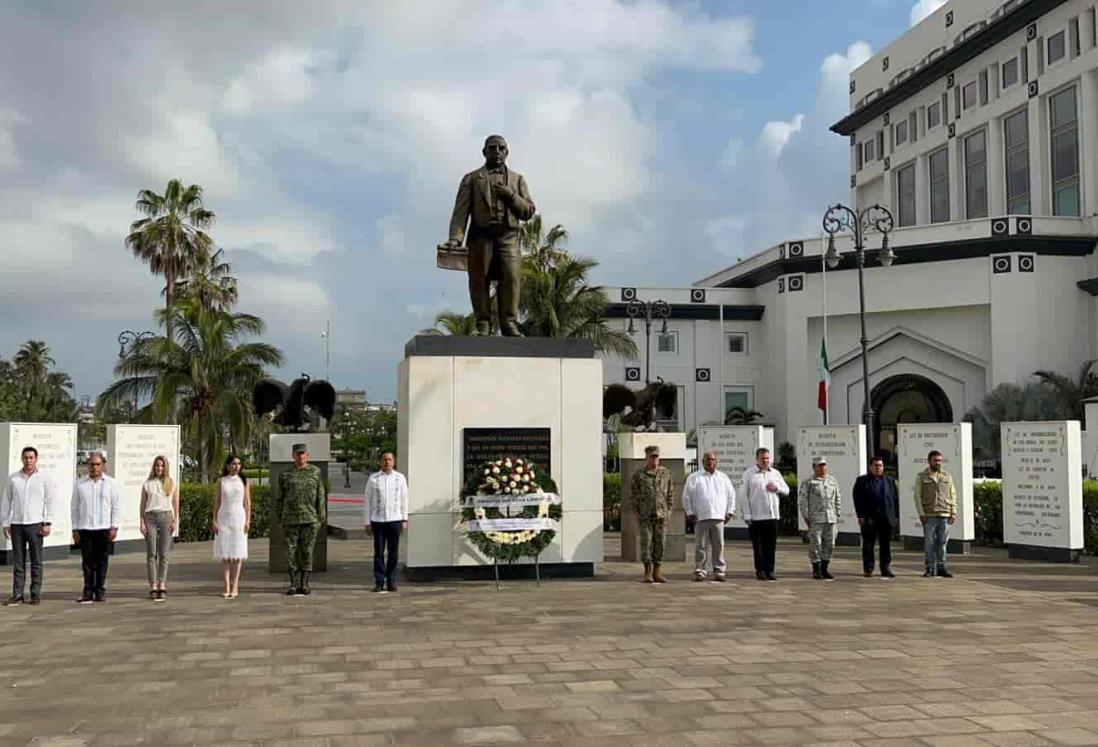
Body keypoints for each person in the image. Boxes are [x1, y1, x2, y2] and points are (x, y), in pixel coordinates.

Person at [443, 134, 537, 337]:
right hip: (481, 236)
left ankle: (509, 323)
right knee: (479, 280)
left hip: (508, 237)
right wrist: (455, 238)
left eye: (501, 148)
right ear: (484, 152)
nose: (497, 151)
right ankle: (483, 323)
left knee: (511, 278)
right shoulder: (472, 178)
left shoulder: (517, 179)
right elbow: (460, 212)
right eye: (492, 148)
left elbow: (528, 211)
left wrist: (510, 196)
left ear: (507, 152)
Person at [1, 447, 55, 605]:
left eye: (31, 457)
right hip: (17, 524)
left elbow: (50, 500)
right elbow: (6, 501)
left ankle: (35, 593)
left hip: (36, 524)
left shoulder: (44, 478)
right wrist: (6, 522)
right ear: (21, 459)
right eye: (25, 457)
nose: (28, 460)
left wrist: (47, 522)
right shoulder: (13, 479)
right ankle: (18, 593)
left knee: (36, 560)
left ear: (36, 459)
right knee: (18, 561)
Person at [275, 443, 326, 596]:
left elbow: (320, 495)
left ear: (307, 456)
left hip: (310, 518)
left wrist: (320, 516)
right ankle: (293, 583)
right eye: (297, 454)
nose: (300, 457)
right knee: (290, 552)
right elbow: (279, 497)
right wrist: (279, 516)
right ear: (293, 456)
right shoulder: (285, 474)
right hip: (290, 519)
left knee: (307, 551)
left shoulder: (315, 472)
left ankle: (304, 583)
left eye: (303, 454)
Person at [71, 452, 119, 603]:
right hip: (86, 527)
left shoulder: (111, 484)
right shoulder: (80, 484)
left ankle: (100, 590)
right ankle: (88, 590)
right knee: (87, 561)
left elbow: (116, 506)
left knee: (102, 561)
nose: (94, 467)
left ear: (103, 465)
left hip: (104, 527)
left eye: (97, 464)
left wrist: (114, 526)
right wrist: (75, 528)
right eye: (91, 464)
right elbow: (74, 508)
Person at [682, 451, 735, 582]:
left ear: (716, 461)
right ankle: (700, 570)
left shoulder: (723, 477)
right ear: (702, 462)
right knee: (701, 546)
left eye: (713, 460)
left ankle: (719, 570)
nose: (710, 462)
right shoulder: (694, 477)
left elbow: (731, 495)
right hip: (701, 517)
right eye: (707, 460)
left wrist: (730, 511)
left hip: (718, 516)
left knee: (719, 545)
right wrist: (689, 512)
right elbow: (686, 496)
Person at [741, 447, 790, 582]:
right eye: (763, 458)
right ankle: (760, 570)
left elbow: (786, 490)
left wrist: (777, 488)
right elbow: (743, 496)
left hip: (772, 516)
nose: (766, 461)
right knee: (758, 546)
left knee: (771, 545)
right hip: (756, 517)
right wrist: (747, 515)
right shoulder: (749, 474)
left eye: (768, 458)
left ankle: (770, 570)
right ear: (757, 459)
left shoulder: (775, 473)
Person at [364, 451, 409, 593]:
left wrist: (404, 518)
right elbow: (367, 501)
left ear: (393, 461)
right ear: (380, 462)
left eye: (389, 459)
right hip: (378, 520)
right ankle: (379, 581)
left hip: (395, 520)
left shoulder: (400, 478)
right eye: (384, 459)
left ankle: (391, 581)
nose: (387, 462)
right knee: (378, 552)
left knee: (393, 553)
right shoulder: (373, 479)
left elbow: (404, 499)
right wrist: (367, 521)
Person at [631, 444, 674, 583]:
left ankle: (658, 570)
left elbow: (670, 493)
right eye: (652, 457)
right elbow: (633, 495)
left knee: (660, 542)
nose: (654, 460)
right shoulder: (639, 474)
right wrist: (636, 512)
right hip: (646, 515)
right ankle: (647, 571)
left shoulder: (665, 473)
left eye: (656, 457)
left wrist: (669, 511)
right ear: (646, 458)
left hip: (661, 515)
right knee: (646, 543)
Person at [139, 455, 179, 601]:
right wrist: (142, 521)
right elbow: (143, 504)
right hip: (150, 517)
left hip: (166, 517)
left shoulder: (170, 483)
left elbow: (175, 503)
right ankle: (153, 585)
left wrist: (175, 521)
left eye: (162, 466)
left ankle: (162, 583)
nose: (159, 468)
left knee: (164, 553)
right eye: (157, 466)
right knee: (151, 553)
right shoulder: (147, 483)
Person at [853, 456, 899, 578]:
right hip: (869, 517)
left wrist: (896, 517)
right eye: (876, 465)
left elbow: (895, 500)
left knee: (885, 545)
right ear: (870, 466)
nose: (878, 468)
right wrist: (861, 515)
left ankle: (885, 568)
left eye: (880, 465)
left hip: (886, 517)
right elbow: (857, 499)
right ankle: (868, 568)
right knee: (868, 544)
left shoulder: (890, 481)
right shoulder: (862, 481)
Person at [212, 455, 251, 598]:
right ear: (228, 465)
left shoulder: (244, 481)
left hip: (239, 517)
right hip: (224, 518)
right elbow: (217, 501)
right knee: (226, 554)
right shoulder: (222, 481)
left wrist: (248, 520)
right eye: (234, 464)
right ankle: (227, 586)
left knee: (237, 554)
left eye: (239, 464)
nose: (236, 466)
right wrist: (214, 520)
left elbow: (247, 502)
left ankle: (235, 586)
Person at [798, 456, 842, 580]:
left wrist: (838, 512)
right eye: (820, 465)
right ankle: (816, 569)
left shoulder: (832, 480)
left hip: (831, 518)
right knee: (816, 544)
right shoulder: (809, 482)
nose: (823, 468)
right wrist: (806, 516)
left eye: (824, 465)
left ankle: (825, 568)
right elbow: (802, 500)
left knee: (830, 544)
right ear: (814, 467)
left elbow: (837, 496)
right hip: (816, 518)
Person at [915, 449, 956, 578]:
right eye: (935, 460)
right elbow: (917, 496)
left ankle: (942, 567)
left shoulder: (947, 476)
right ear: (929, 461)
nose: (937, 463)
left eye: (939, 460)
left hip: (944, 514)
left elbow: (953, 494)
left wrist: (953, 511)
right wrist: (921, 513)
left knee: (943, 542)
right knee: (930, 543)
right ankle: (929, 568)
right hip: (929, 515)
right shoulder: (921, 476)